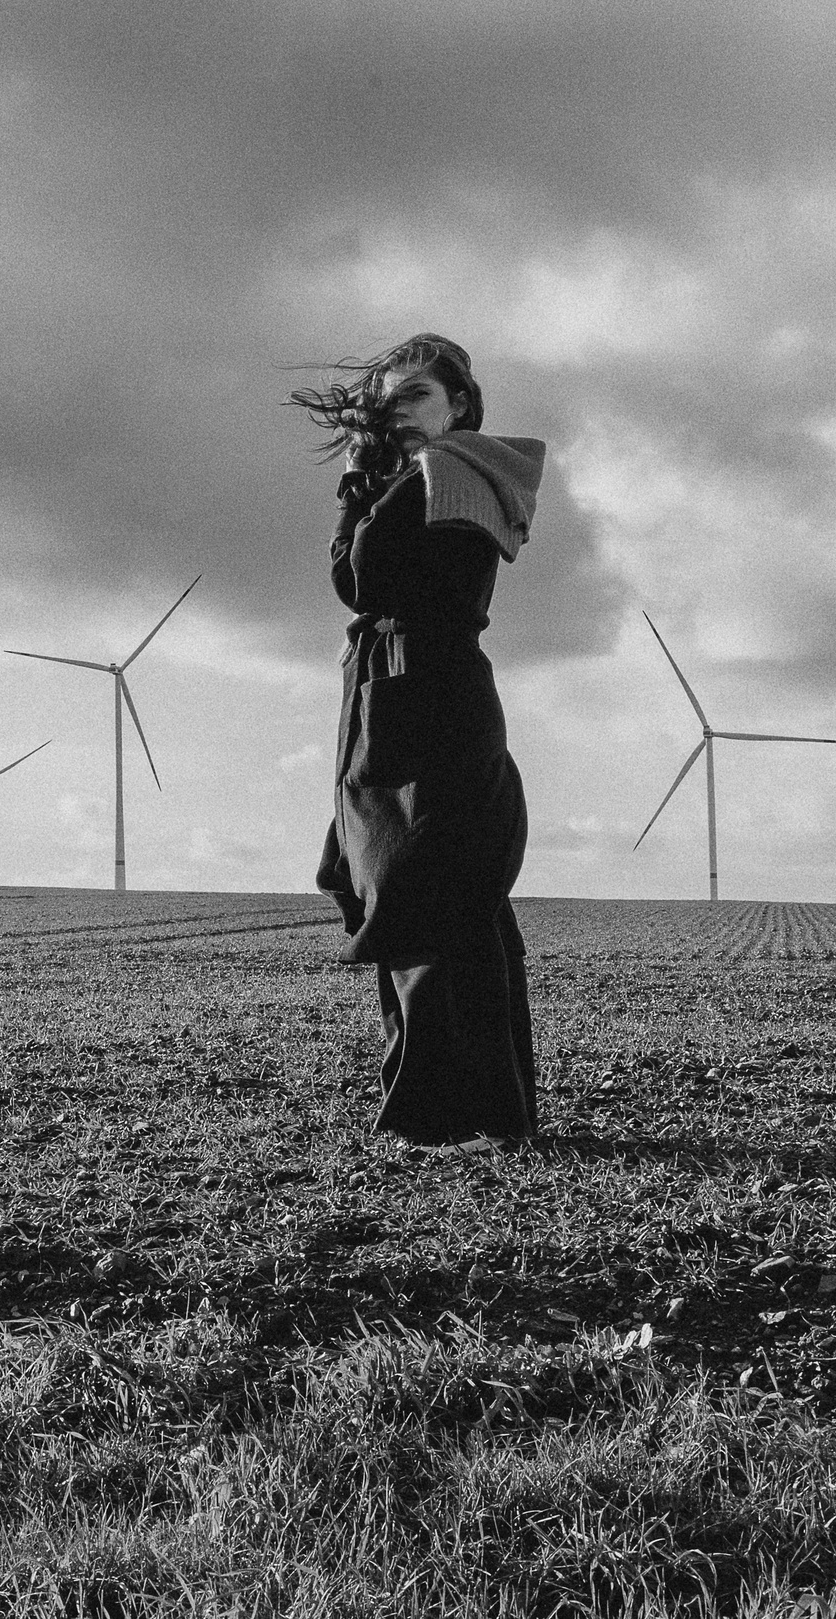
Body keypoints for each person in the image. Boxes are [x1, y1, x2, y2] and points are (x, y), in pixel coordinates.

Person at [290, 334, 542, 1153]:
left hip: (426, 706)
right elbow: (356, 581)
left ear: (459, 406)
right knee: (422, 898)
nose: (397, 414)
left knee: (427, 899)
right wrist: (367, 480)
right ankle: (480, 1114)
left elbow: (359, 577)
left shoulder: (450, 474)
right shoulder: (418, 479)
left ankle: (452, 1118)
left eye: (415, 398)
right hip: (391, 703)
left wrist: (360, 488)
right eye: (388, 400)